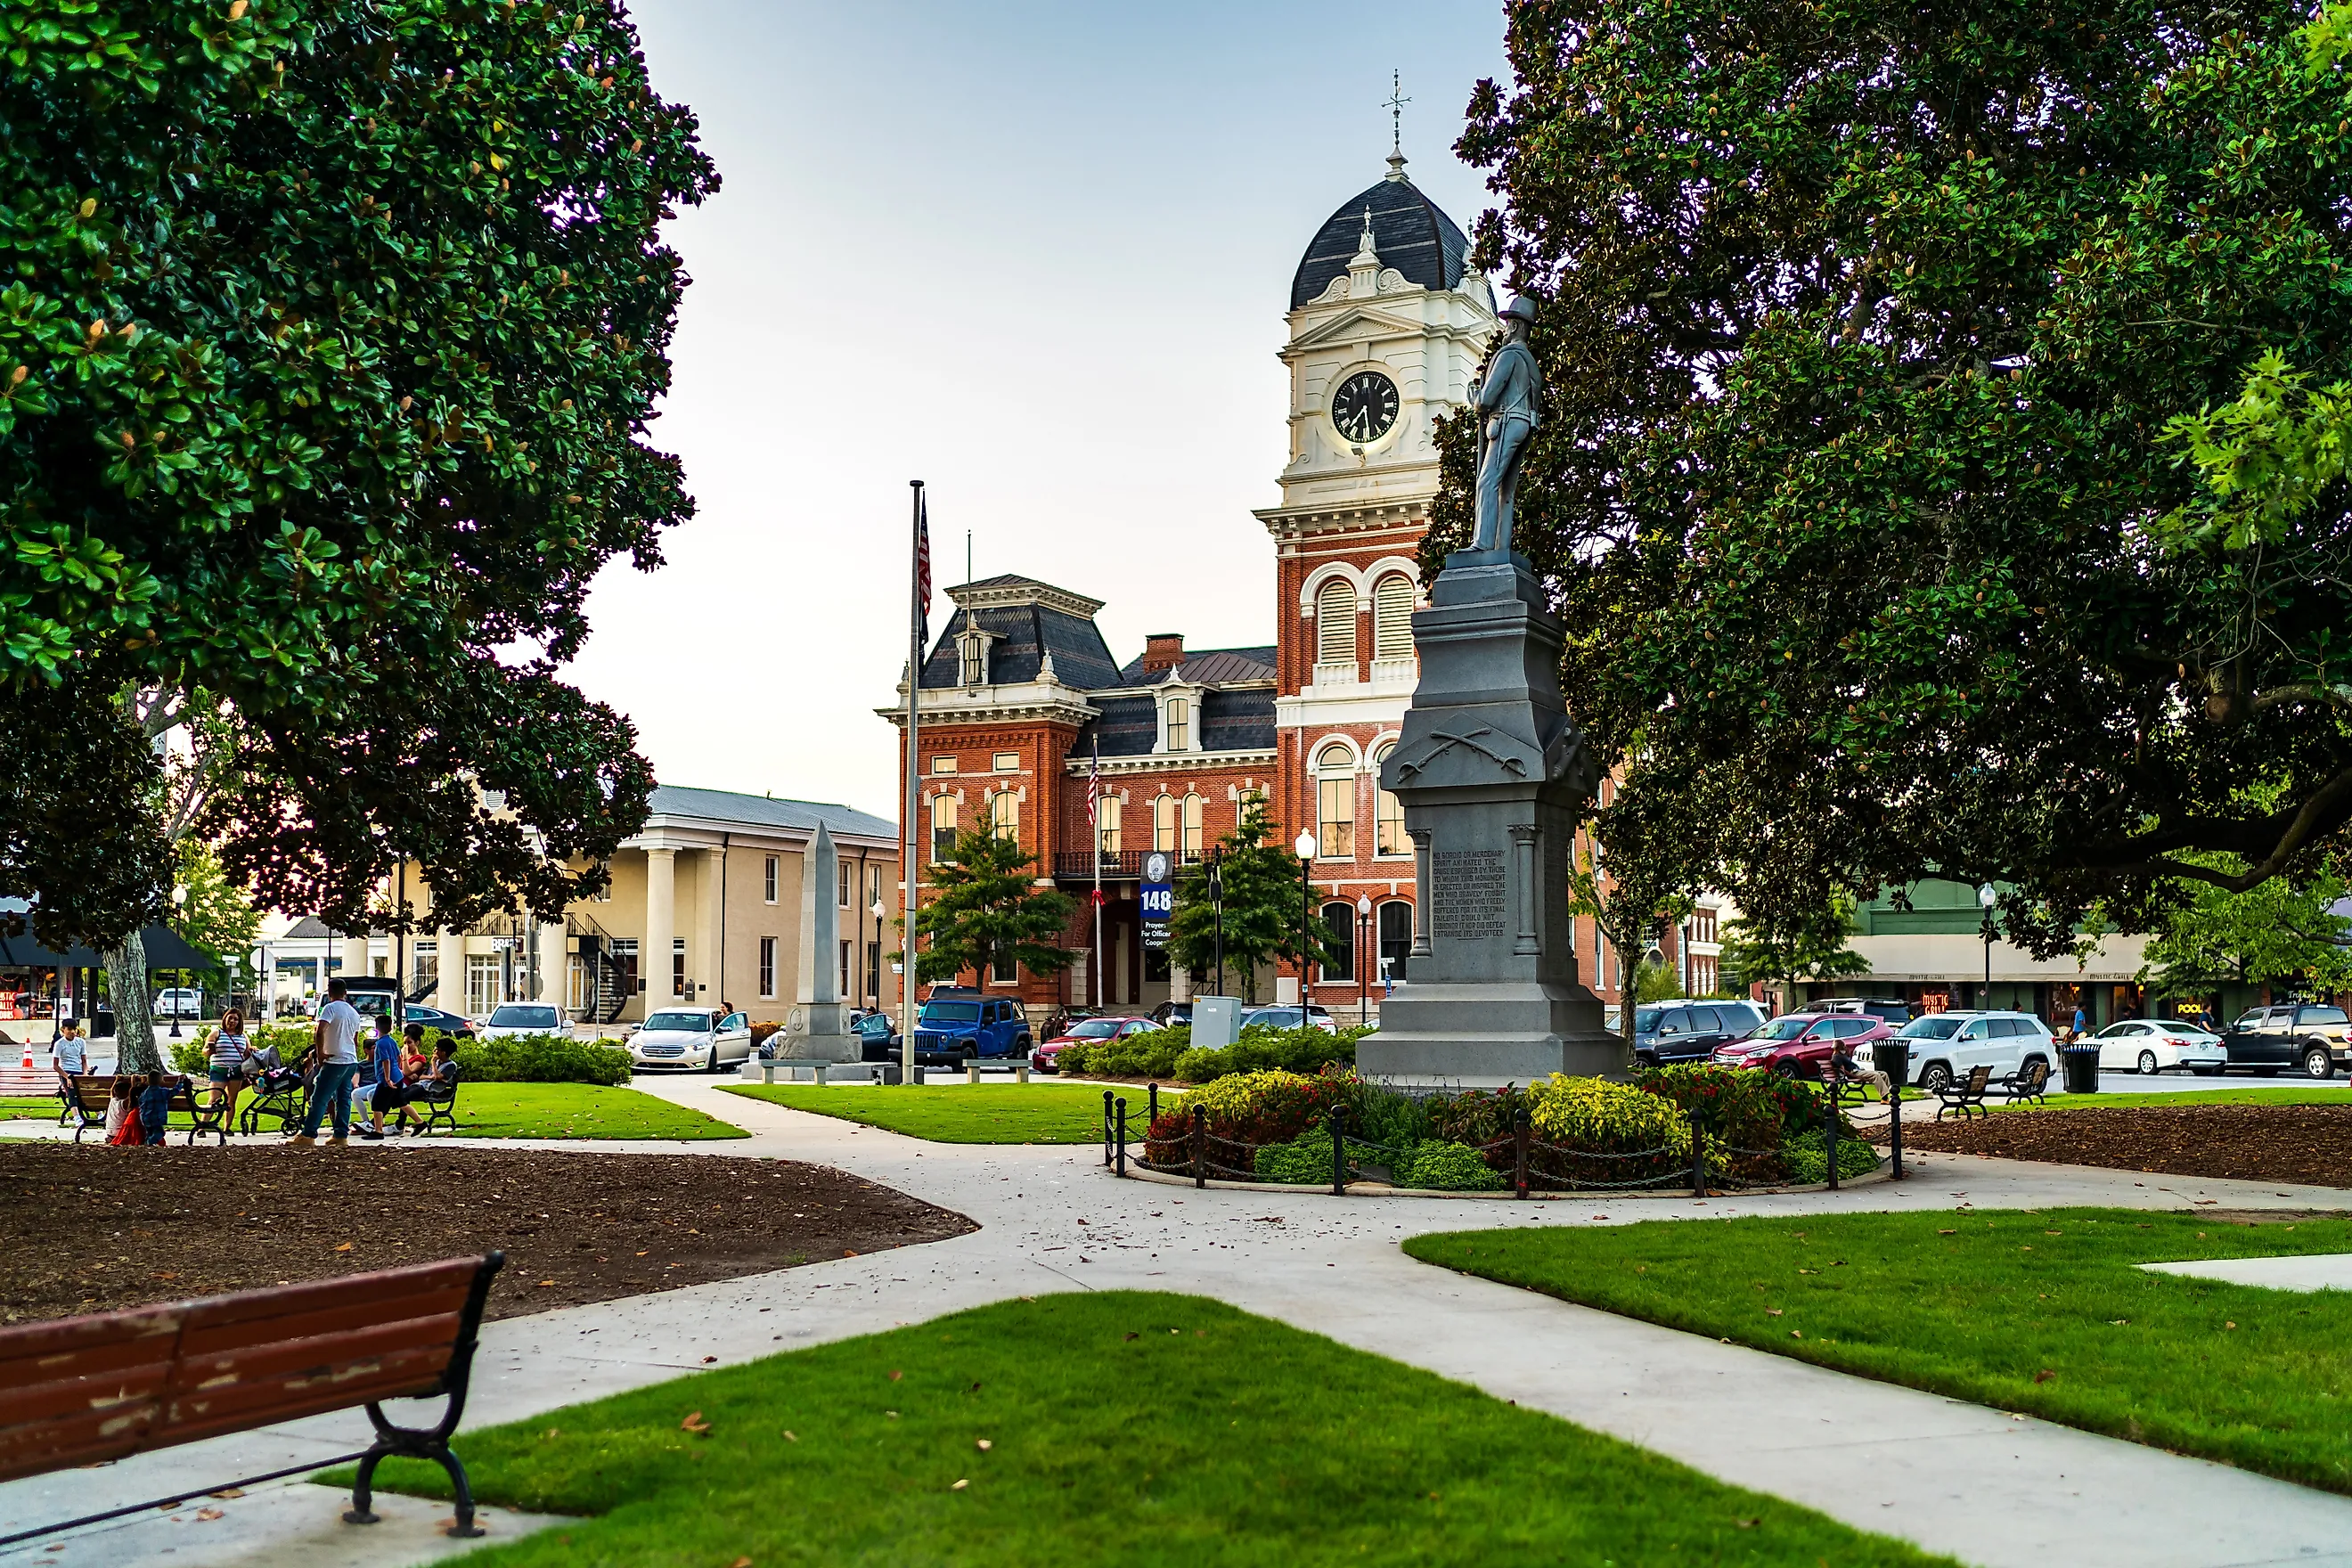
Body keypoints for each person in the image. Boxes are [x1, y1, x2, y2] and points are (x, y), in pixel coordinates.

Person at [293, 978, 363, 1147]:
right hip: (350, 1060)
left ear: (329, 992)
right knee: (343, 1099)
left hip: (334, 1060)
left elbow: (319, 1031)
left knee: (319, 1098)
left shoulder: (329, 1008)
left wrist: (320, 1053)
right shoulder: (353, 1012)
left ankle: (308, 1134)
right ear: (345, 993)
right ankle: (341, 1135)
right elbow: (355, 1039)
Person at [358, 1013, 404, 1139]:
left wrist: (387, 1078)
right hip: (397, 1076)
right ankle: (420, 1122)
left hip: (386, 1079)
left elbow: (386, 1061)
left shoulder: (380, 1044)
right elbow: (399, 1057)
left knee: (377, 1104)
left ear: (377, 1028)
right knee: (401, 1102)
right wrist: (398, 1070)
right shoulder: (392, 1041)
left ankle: (378, 1131)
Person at [205, 1008, 254, 1127]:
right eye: (230, 1018)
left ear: (239, 1022)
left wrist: (252, 1050)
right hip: (219, 1071)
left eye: (236, 1019)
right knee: (214, 1100)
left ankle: (227, 1127)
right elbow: (205, 1050)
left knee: (231, 1100)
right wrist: (209, 1050)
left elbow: (247, 1052)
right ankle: (202, 1126)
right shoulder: (217, 1033)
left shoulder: (243, 1036)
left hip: (236, 1072)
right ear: (225, 1019)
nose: (232, 1021)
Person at [51, 1017, 87, 1096]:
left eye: (75, 1029)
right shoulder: (59, 1044)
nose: (73, 1032)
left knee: (83, 1096)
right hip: (66, 1071)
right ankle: (74, 1107)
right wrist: (67, 1077)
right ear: (63, 1030)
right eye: (70, 1029)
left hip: (78, 1071)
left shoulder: (81, 1042)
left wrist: (85, 1075)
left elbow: (84, 1061)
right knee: (72, 1095)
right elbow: (55, 1065)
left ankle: (76, 1108)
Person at [102, 1074, 135, 1143]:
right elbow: (132, 1093)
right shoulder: (124, 1103)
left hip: (109, 1132)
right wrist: (133, 1081)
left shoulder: (112, 1100)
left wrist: (116, 1080)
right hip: (120, 1132)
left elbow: (111, 1090)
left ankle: (111, 1138)